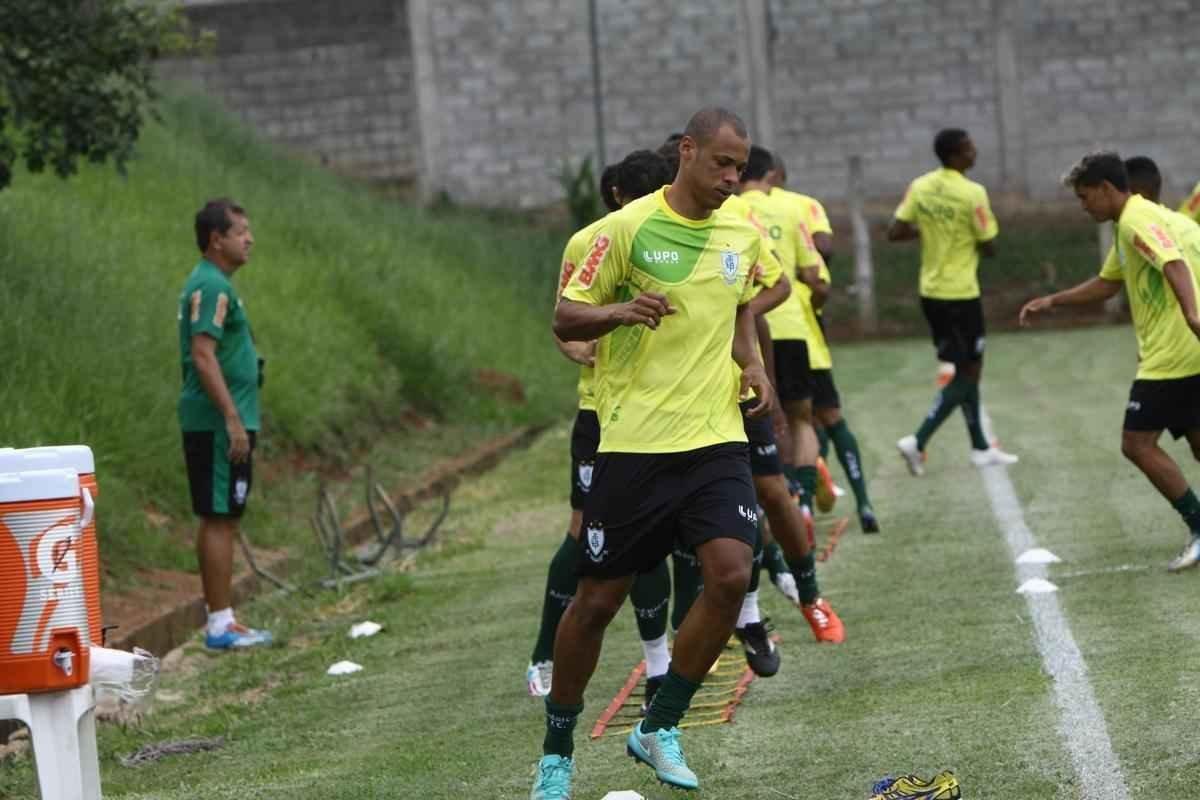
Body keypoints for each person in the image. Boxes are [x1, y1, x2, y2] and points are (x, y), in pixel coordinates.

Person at [530, 107, 774, 798]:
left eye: (740, 167)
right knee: (596, 604)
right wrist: (620, 311)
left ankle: (658, 725)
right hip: (634, 444)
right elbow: (566, 315)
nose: (732, 178)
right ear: (687, 151)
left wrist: (753, 366)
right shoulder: (622, 230)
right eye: (722, 163)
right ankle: (557, 752)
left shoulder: (740, 233)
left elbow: (739, 310)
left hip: (715, 438)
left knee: (730, 575)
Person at [527, 150, 675, 701]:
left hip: (667, 411)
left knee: (658, 536)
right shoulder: (589, 242)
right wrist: (583, 350)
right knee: (584, 534)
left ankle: (660, 664)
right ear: (618, 199)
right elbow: (564, 324)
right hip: (602, 414)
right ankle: (543, 655)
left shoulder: (682, 240)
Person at [1020, 153, 1200, 571]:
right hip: (1186, 350)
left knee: (1136, 443)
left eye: (1085, 197)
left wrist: (1192, 317)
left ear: (1106, 188)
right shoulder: (1151, 220)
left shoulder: (1136, 220)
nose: (1083, 207)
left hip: (1173, 355)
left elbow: (1174, 264)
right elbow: (1107, 283)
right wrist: (1053, 301)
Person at [887, 128, 1017, 473]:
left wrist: (930, 229)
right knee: (970, 371)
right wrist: (962, 234)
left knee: (964, 368)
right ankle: (917, 441)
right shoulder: (973, 192)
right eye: (969, 148)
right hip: (961, 293)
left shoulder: (920, 186)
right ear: (956, 154)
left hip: (931, 292)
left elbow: (895, 231)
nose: (975, 152)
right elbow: (990, 245)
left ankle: (980, 447)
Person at [178, 199, 271, 650]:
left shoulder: (220, 285)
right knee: (218, 517)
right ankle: (219, 624)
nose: (249, 239)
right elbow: (202, 354)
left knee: (225, 517)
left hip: (229, 421)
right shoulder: (211, 285)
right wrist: (232, 418)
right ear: (216, 240)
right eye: (240, 232)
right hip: (217, 424)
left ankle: (225, 619)